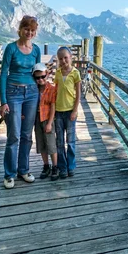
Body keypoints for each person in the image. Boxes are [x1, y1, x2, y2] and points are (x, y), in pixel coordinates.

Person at [0, 15, 42, 189]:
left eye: (32, 30)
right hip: (13, 92)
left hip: (32, 93)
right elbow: (3, 74)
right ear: (20, 30)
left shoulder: (36, 50)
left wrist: (43, 92)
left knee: (26, 134)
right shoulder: (11, 48)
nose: (29, 33)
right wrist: (3, 101)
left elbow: (38, 73)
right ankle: (9, 174)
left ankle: (23, 170)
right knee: (14, 134)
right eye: (26, 29)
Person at [54, 46, 81, 179]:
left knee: (70, 141)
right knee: (59, 141)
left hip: (70, 110)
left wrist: (75, 110)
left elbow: (78, 94)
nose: (63, 60)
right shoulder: (58, 73)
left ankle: (71, 166)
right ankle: (62, 167)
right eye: (60, 58)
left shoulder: (75, 73)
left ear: (71, 57)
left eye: (65, 57)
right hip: (58, 111)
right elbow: (56, 91)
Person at [32, 63, 59, 181]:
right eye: (37, 78)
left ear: (47, 75)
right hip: (37, 118)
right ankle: (46, 165)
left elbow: (53, 106)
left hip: (47, 118)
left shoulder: (51, 89)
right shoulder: (33, 89)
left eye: (42, 76)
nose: (40, 80)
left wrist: (49, 123)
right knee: (41, 143)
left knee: (51, 144)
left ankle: (55, 166)